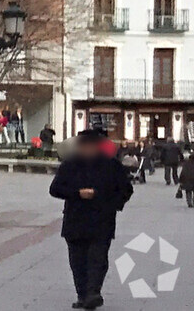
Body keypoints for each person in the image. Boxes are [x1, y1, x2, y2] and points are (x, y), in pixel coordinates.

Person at [51, 127, 134, 310]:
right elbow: (55, 189)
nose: (87, 149)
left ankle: (93, 293)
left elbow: (125, 190)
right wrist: (77, 193)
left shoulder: (111, 165)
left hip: (102, 219)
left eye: (91, 146)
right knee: (77, 260)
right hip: (75, 219)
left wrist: (110, 204)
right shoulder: (70, 165)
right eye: (84, 146)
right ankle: (82, 294)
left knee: (98, 259)